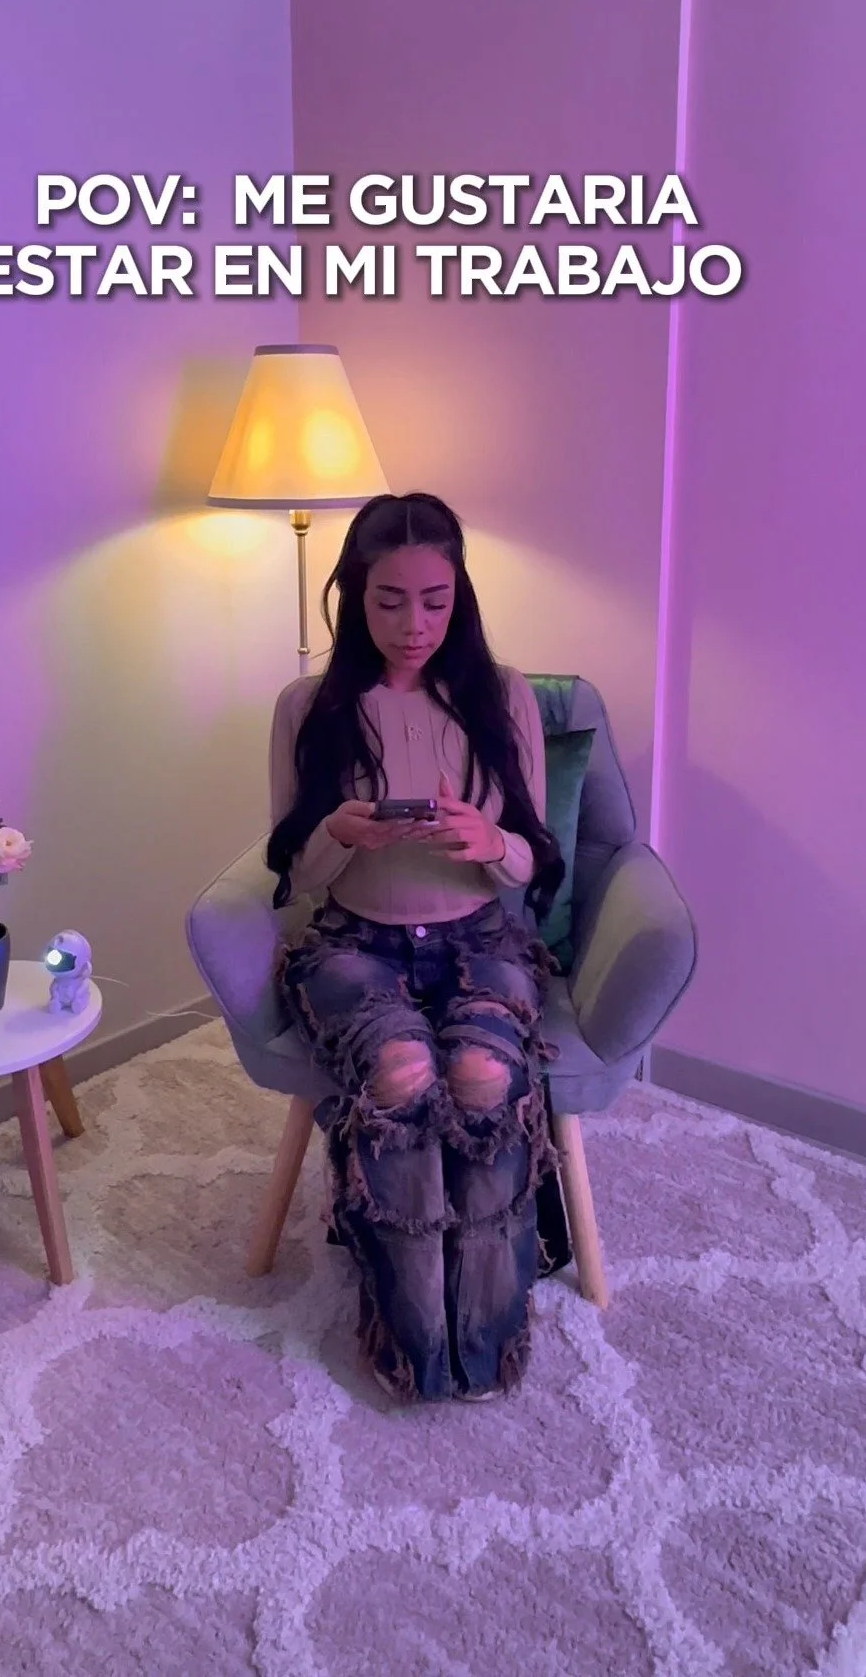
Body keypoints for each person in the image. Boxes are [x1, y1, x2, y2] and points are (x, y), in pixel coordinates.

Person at [266, 491, 569, 1405]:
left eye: (435, 600)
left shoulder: (501, 696)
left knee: (482, 1077)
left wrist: (489, 841)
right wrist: (341, 832)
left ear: (459, 594)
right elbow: (297, 874)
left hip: (480, 935)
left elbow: (532, 858)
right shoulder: (309, 707)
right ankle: (415, 1346)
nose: (414, 625)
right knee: (401, 1075)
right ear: (355, 595)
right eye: (390, 601)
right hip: (355, 940)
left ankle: (483, 1338)